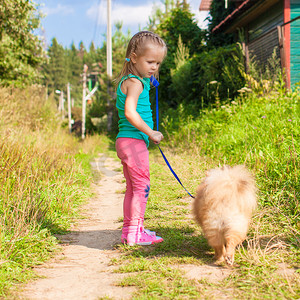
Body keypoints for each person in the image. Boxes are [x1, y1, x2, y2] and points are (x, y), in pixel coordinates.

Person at [115, 31, 167, 246]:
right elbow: (130, 112)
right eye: (150, 61)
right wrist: (150, 132)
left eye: (157, 63)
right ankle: (136, 233)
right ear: (134, 58)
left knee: (133, 188)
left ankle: (130, 231)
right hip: (134, 141)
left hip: (125, 141)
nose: (154, 67)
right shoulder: (135, 83)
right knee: (142, 187)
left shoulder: (131, 80)